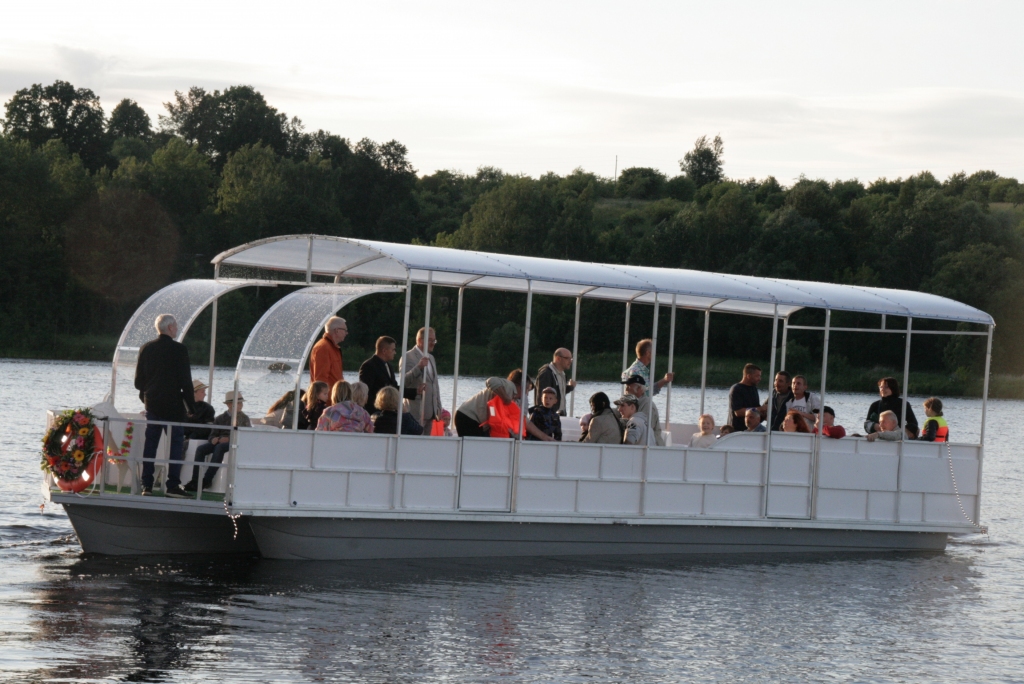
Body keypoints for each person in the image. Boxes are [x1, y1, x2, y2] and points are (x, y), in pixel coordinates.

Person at [134, 314, 196, 497]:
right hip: (174, 407)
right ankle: (172, 486)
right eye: (176, 326)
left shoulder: (146, 348)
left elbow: (138, 382)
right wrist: (191, 408)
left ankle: (147, 485)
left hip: (152, 404)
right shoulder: (179, 350)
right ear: (170, 328)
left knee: (150, 444)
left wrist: (147, 395)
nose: (177, 329)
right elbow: (186, 381)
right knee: (175, 445)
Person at [186, 391, 251, 493]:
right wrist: (213, 439)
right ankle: (196, 479)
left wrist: (229, 439)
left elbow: (246, 436)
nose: (241, 405)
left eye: (241, 403)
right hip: (219, 442)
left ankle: (207, 479)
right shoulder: (220, 418)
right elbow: (212, 433)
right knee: (201, 449)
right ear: (230, 404)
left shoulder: (244, 418)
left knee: (219, 448)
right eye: (239, 403)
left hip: (234, 443)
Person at [359, 336, 421, 414]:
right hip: (374, 413)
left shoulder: (388, 366)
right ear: (384, 351)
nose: (395, 352)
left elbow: (394, 388)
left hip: (387, 412)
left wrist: (416, 391)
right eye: (393, 350)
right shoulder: (368, 366)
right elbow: (365, 392)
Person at [401, 327, 443, 434]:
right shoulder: (408, 356)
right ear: (420, 340)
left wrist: (438, 407)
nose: (433, 343)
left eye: (434, 340)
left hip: (431, 413)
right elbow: (404, 382)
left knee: (425, 445)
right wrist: (418, 367)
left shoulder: (431, 358)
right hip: (415, 411)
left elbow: (435, 384)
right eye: (430, 340)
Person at [619, 374, 665, 446]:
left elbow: (644, 427)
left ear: (639, 389)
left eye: (628, 387)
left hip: (652, 448)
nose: (626, 390)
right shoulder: (631, 403)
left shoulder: (647, 405)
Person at [535, 348, 576, 416]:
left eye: (571, 359)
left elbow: (557, 392)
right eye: (567, 358)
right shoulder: (546, 374)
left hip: (559, 416)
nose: (570, 361)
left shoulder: (562, 374)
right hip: (548, 418)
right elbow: (542, 397)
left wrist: (570, 387)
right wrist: (544, 417)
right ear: (558, 358)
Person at [309, 316, 347, 388]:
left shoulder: (332, 348)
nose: (346, 333)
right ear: (337, 330)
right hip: (327, 398)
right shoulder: (323, 348)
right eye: (345, 330)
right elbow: (320, 380)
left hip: (334, 397)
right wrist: (323, 398)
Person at [728, 364, 762, 432]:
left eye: (759, 376)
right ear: (748, 376)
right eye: (757, 376)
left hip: (751, 430)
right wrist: (761, 409)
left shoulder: (754, 389)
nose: (759, 379)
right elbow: (738, 412)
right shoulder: (736, 389)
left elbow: (756, 407)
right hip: (737, 430)